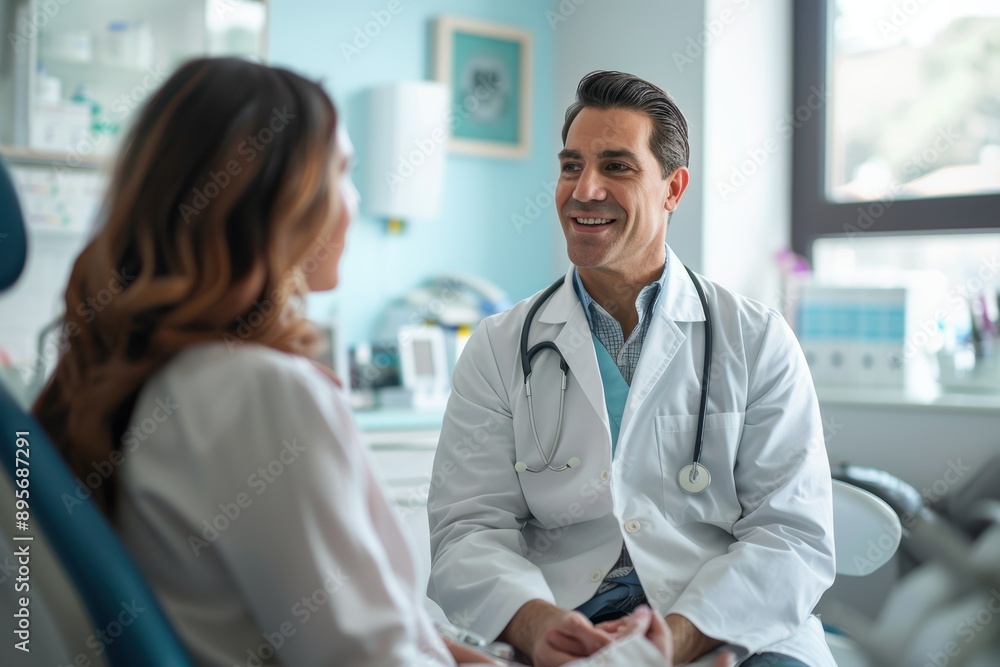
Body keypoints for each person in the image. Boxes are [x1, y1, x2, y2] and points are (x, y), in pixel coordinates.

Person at [31, 58, 719, 667]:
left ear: (673, 188)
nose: (353, 203)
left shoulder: (139, 378)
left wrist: (457, 652)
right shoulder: (261, 392)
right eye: (342, 174)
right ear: (277, 201)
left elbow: (343, 626)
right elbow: (367, 652)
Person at [427, 70, 837, 667]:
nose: (584, 190)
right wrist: (537, 624)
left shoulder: (757, 339)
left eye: (616, 167)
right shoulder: (498, 345)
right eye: (571, 166)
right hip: (565, 618)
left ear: (673, 188)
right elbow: (468, 529)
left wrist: (677, 638)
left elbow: (792, 535)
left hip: (723, 620)